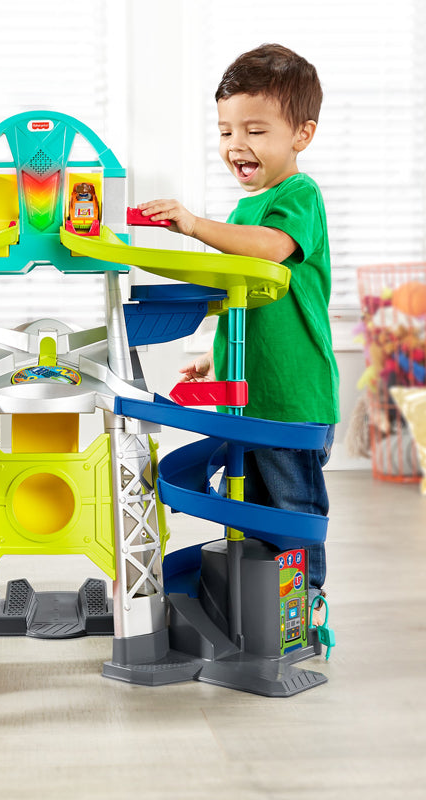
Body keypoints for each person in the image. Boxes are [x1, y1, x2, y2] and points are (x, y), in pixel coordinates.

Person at [138, 44, 339, 620]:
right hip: (249, 398)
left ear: (302, 135)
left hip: (291, 399)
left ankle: (305, 607)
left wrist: (195, 225)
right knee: (246, 505)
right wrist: (215, 355)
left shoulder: (297, 196)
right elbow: (242, 299)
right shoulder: (244, 210)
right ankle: (258, 608)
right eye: (226, 131)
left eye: (255, 130)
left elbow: (271, 253)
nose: (236, 145)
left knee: (290, 508)